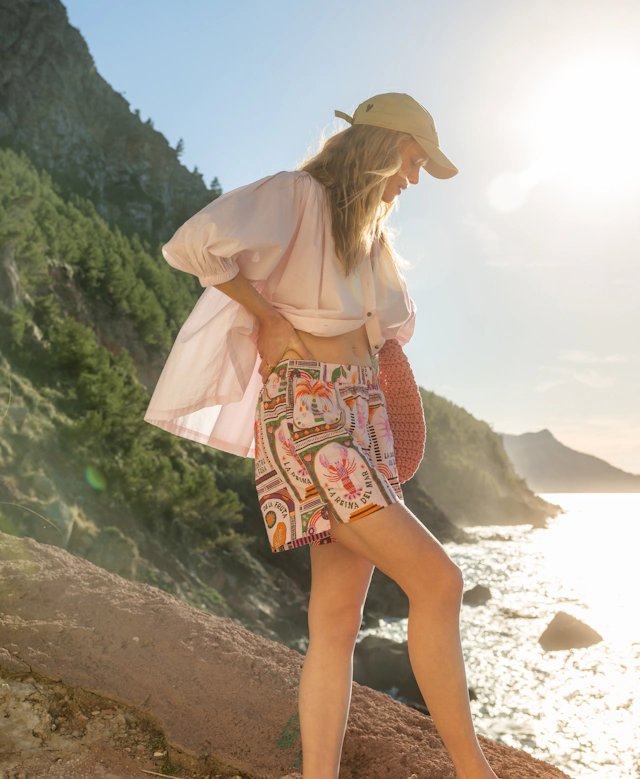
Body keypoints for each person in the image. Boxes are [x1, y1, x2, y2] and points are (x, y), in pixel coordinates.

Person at [145, 92, 499, 779]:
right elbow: (193, 243)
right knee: (440, 580)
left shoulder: (374, 238)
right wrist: (268, 318)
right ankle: (475, 773)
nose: (415, 178)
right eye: (413, 160)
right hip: (309, 413)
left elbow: (387, 334)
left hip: (361, 417)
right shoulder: (296, 196)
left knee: (336, 625)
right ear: (381, 145)